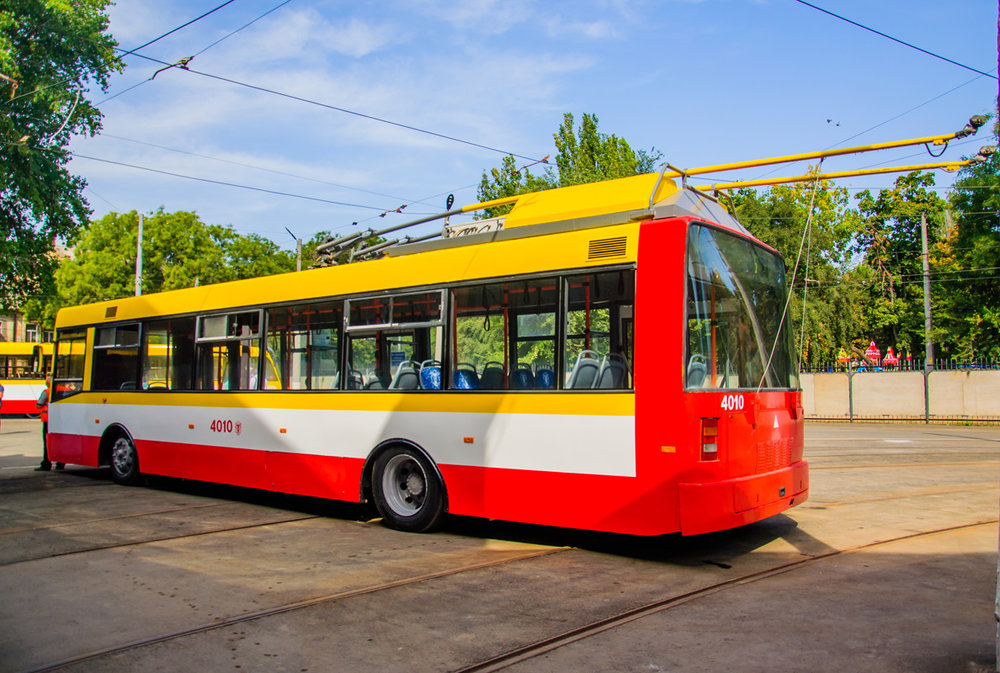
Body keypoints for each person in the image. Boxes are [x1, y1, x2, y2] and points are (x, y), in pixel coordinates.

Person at [35, 385, 63, 471]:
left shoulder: (46, 391)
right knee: (60, 441)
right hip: (60, 419)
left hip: (48, 419)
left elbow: (39, 405)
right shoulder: (65, 389)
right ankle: (60, 463)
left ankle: (46, 463)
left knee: (47, 442)